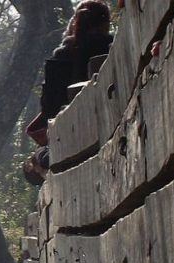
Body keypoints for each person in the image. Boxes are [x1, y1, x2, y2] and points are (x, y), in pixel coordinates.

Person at [24, 1, 113, 184]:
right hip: (109, 123)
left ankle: (39, 164)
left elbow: (49, 108)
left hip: (69, 140)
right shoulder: (111, 47)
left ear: (75, 23)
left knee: (40, 156)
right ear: (105, 23)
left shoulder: (61, 57)